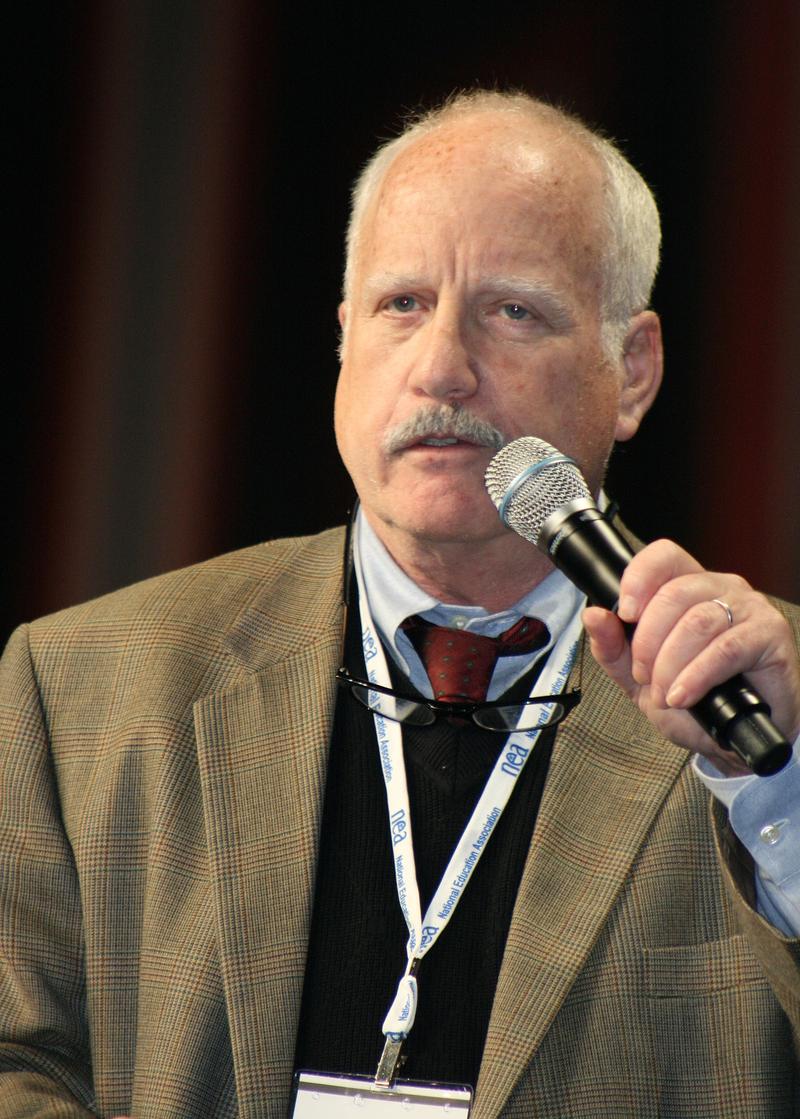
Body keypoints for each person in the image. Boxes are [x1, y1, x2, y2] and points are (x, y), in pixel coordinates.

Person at [1, 90, 798, 1119]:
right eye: (401, 305)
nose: (441, 369)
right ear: (343, 341)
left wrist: (769, 787)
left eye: (511, 310)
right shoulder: (80, 688)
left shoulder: (762, 700)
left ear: (631, 372)